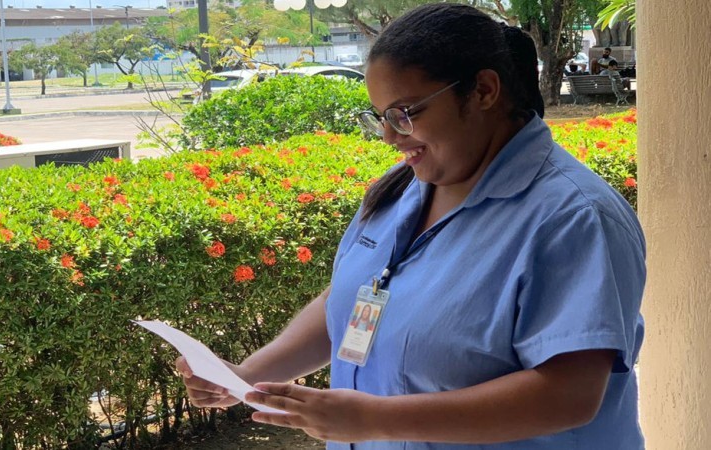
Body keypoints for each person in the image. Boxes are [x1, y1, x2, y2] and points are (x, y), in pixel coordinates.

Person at [176, 3, 646, 449]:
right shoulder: (400, 190)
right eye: (381, 117)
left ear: (483, 91)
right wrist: (243, 375)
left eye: (406, 113)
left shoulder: (574, 218)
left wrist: (374, 420)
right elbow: (352, 298)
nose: (389, 136)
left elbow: (568, 395)